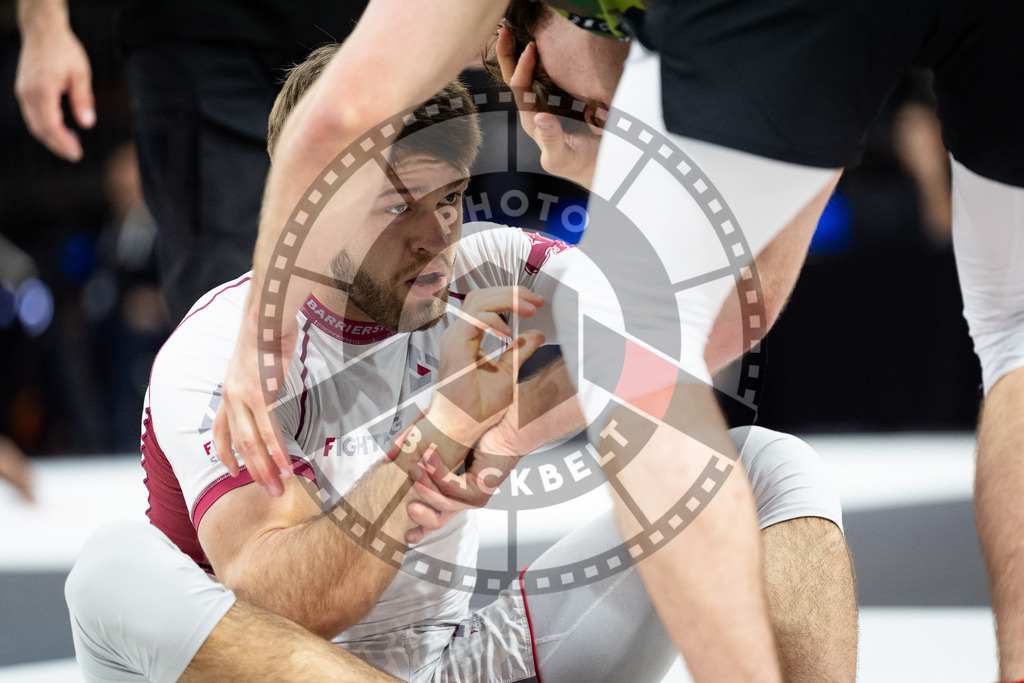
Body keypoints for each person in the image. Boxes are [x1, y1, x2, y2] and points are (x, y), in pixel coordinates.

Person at [211, 1, 1024, 679]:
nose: (624, 95)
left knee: (651, 364)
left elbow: (345, 111)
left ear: (513, 43)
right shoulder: (197, 350)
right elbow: (737, 307)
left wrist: (259, 334)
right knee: (1018, 334)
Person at [65, 44, 856, 682]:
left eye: (448, 198)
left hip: (452, 663)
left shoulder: (484, 262)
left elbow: (661, 341)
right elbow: (280, 604)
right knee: (108, 568)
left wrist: (519, 425)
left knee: (762, 465)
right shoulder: (217, 350)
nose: (433, 235)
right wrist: (440, 431)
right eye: (396, 203)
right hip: (273, 669)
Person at [14, 0, 368, 321]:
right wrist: (43, 24)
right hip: (199, 39)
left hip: (362, 30)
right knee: (228, 301)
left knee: (377, 276)